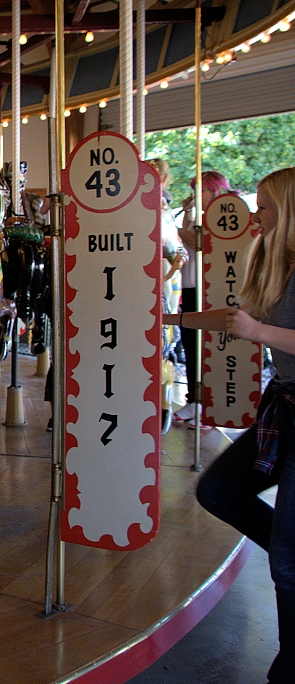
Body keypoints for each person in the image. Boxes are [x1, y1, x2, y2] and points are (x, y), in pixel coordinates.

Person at [165, 167, 295, 683]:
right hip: (283, 407)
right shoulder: (275, 263)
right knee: (220, 489)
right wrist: (169, 322)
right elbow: (232, 318)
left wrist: (259, 330)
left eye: (263, 206)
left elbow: (254, 326)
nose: (255, 213)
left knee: (285, 561)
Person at [175, 170, 232, 427]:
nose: (197, 196)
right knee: (190, 344)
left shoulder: (219, 218)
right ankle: (194, 399)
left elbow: (201, 243)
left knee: (205, 346)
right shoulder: (196, 216)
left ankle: (209, 402)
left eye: (203, 191)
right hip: (189, 285)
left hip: (206, 287)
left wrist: (175, 226)